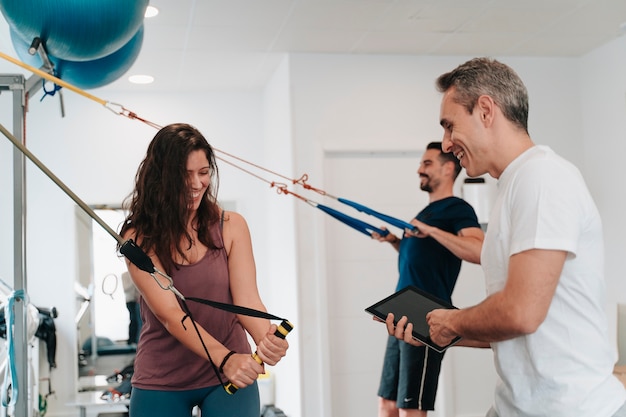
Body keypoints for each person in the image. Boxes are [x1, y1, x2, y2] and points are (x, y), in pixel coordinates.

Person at [386, 57, 626, 417]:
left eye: (450, 126)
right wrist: (439, 328)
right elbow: (521, 328)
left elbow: (520, 313)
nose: (447, 143)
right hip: (515, 407)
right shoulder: (512, 189)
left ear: (485, 110)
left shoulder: (542, 178)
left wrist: (451, 320)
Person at [118, 123, 289, 417]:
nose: (197, 184)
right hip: (163, 378)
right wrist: (228, 360)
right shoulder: (138, 239)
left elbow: (246, 301)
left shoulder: (231, 226)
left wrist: (265, 338)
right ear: (162, 179)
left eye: (203, 172)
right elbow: (172, 316)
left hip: (228, 377)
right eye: (184, 175)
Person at [372, 141, 484, 417]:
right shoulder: (425, 214)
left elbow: (479, 250)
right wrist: (394, 242)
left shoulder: (457, 209)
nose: (419, 169)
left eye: (427, 163)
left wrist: (431, 231)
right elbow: (421, 261)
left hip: (427, 315)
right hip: (400, 312)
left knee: (412, 408)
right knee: (386, 404)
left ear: (448, 169)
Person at [121, 271, 142, 345]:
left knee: (139, 321)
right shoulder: (125, 275)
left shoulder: (139, 273)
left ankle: (137, 341)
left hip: (138, 300)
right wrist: (134, 279)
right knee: (133, 319)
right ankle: (131, 341)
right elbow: (125, 288)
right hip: (130, 300)